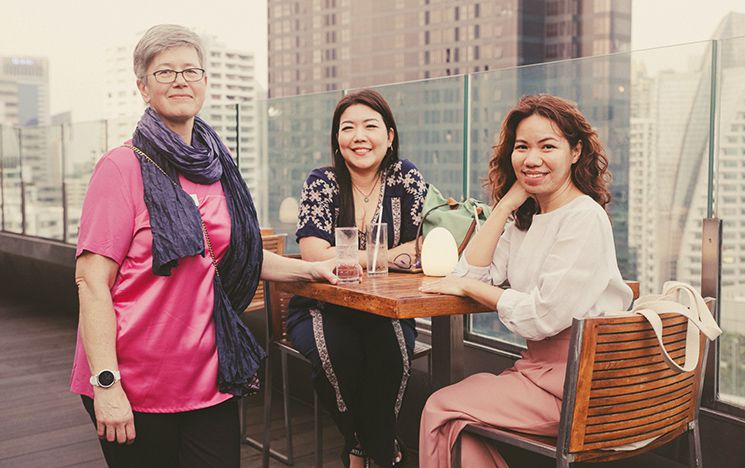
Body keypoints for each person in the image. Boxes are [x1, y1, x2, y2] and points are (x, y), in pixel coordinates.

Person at [70, 24, 337, 468]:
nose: (180, 81)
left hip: (209, 376)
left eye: (190, 71)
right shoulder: (120, 167)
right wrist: (106, 383)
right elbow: (91, 281)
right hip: (133, 381)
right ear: (143, 87)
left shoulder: (217, 168)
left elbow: (234, 255)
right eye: (165, 72)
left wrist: (311, 270)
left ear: (206, 83)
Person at [418, 94, 633, 467]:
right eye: (522, 147)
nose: (532, 158)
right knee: (454, 419)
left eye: (547, 146)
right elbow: (468, 273)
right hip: (540, 374)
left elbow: (541, 316)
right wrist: (503, 208)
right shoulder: (527, 219)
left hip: (580, 388)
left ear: (576, 152)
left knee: (441, 408)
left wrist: (470, 288)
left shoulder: (584, 217)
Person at [287, 89, 428, 467]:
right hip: (322, 305)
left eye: (370, 126)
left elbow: (418, 249)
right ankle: (382, 453)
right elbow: (315, 254)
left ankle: (357, 450)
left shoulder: (406, 178)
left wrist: (351, 255)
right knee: (338, 358)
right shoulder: (323, 181)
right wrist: (386, 256)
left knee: (394, 359)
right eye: (348, 128)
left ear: (390, 135)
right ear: (337, 138)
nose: (359, 136)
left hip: (385, 307)